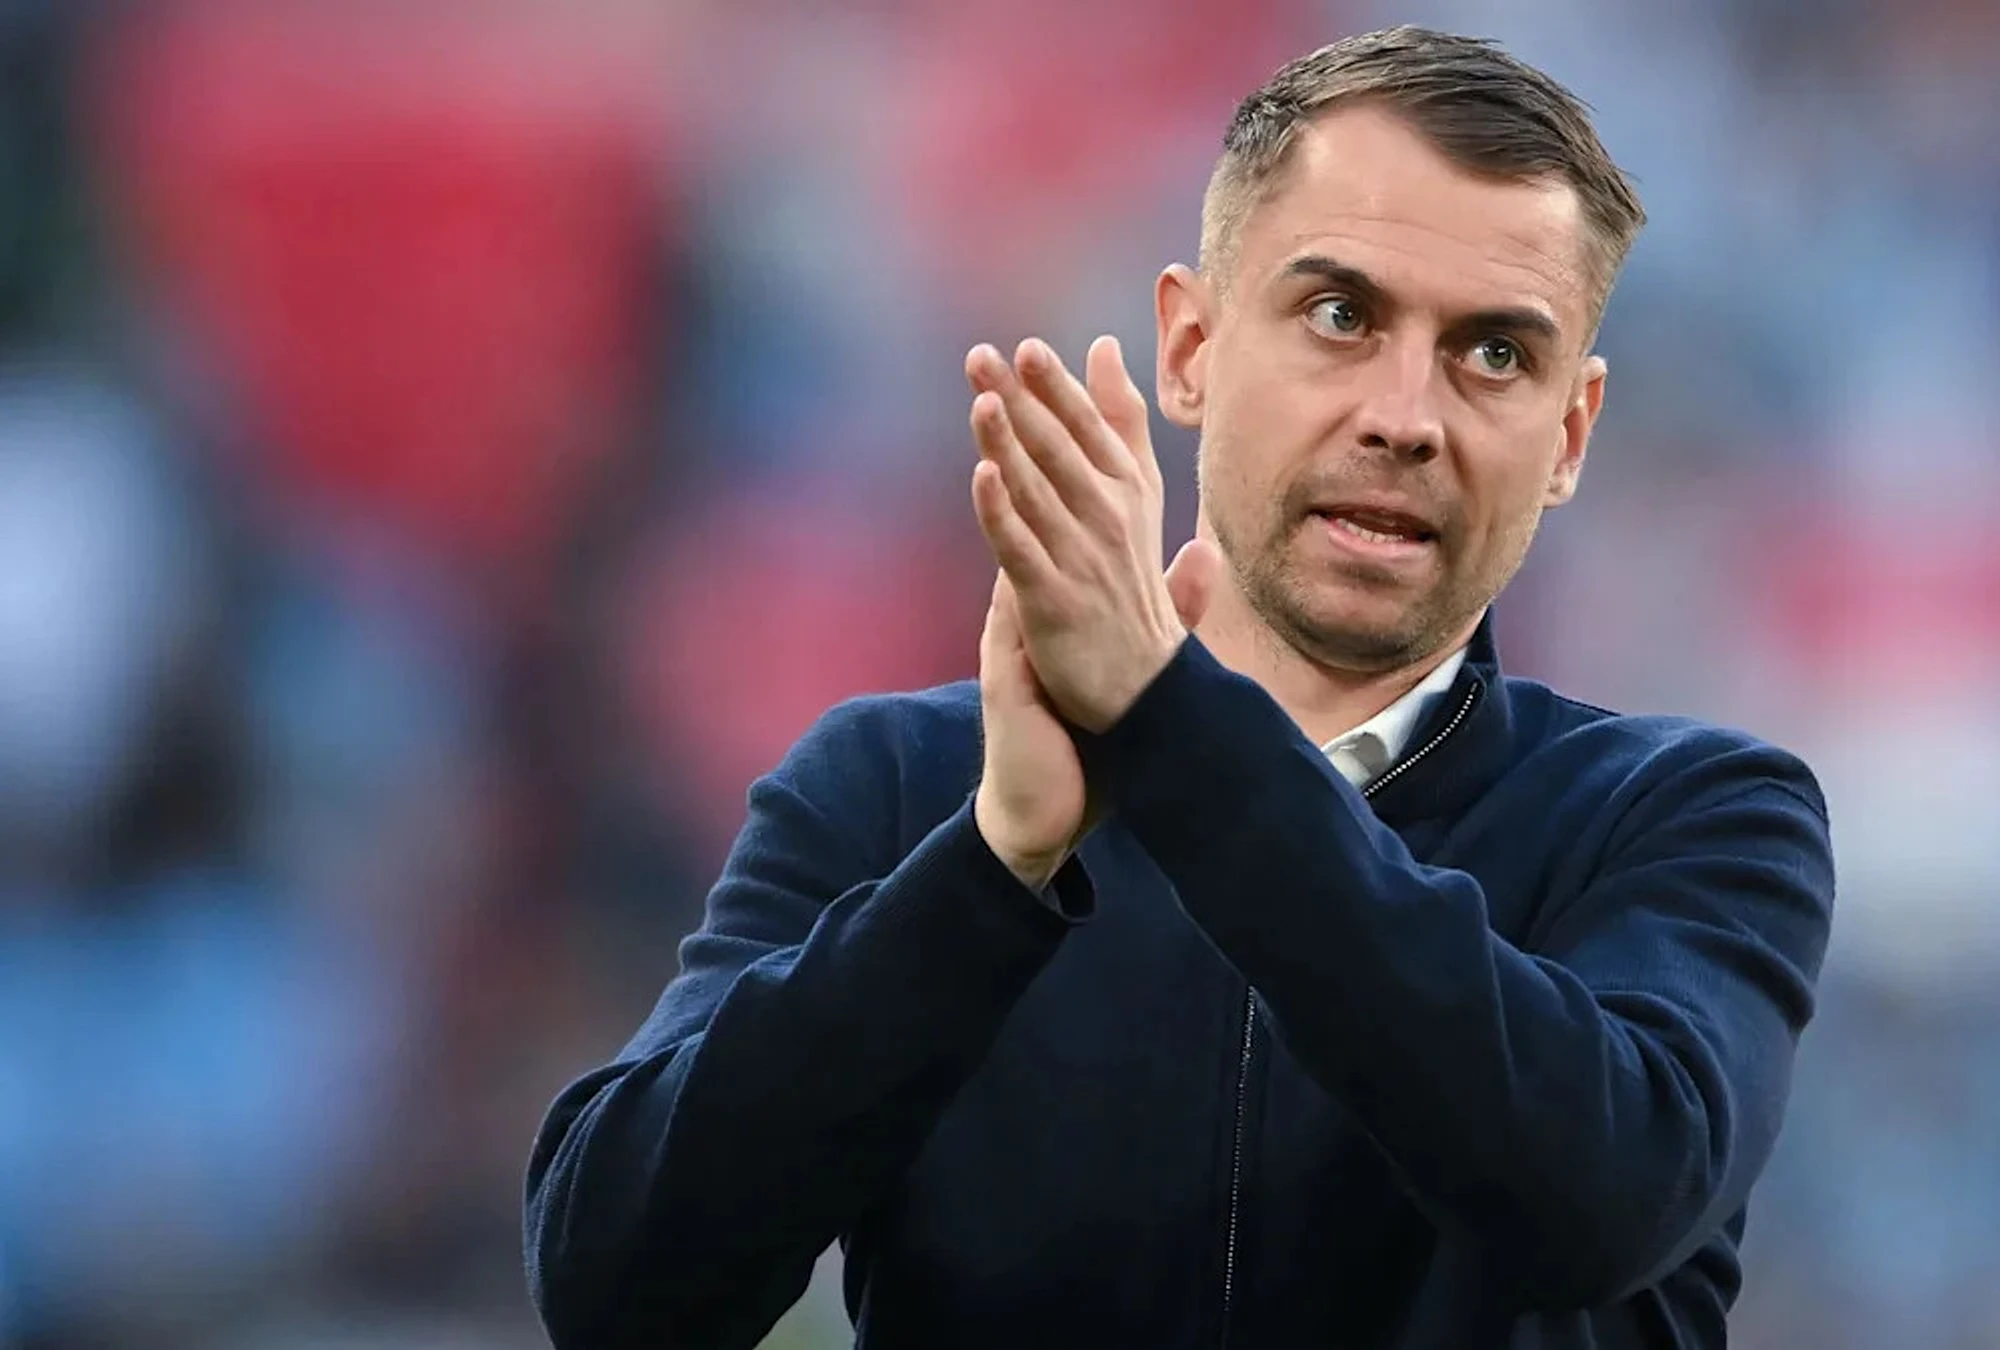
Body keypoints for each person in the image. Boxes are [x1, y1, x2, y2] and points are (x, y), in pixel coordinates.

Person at [524, 24, 1835, 1350]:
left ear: (1569, 435)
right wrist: (991, 871)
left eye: (1494, 353)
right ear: (1192, 346)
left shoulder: (1697, 819)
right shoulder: (901, 793)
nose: (1405, 416)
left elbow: (1595, 1200)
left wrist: (1166, 726)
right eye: (1341, 316)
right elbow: (615, 1286)